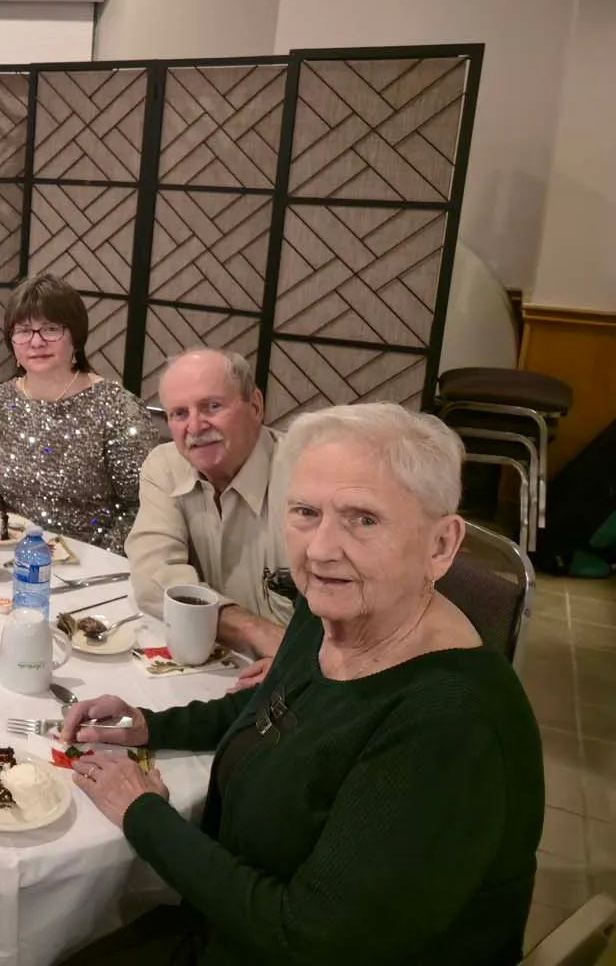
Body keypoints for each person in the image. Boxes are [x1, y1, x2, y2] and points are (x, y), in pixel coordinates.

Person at [57, 403, 544, 966]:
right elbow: (276, 706)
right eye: (306, 512)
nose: (320, 549)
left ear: (441, 545)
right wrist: (150, 724)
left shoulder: (451, 725)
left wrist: (144, 814)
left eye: (364, 518)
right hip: (227, 928)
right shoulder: (330, 613)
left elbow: (308, 937)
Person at [0, 275, 160, 553]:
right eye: (24, 331)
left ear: (76, 337)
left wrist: (94, 557)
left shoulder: (118, 409)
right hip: (8, 554)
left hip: (93, 562)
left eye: (51, 329)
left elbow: (143, 506)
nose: (36, 342)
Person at [127, 348, 293, 663]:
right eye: (179, 413)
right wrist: (249, 628)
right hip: (215, 665)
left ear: (255, 406)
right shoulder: (164, 466)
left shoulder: (306, 477)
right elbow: (152, 578)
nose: (196, 427)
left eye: (212, 406)